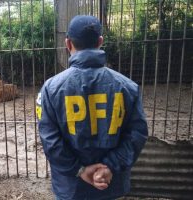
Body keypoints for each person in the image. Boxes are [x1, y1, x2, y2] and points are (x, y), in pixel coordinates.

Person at [36, 15, 148, 200]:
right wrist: (110, 166)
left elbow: (50, 141)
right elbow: (137, 134)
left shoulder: (50, 88)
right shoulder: (128, 87)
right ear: (100, 42)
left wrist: (80, 170)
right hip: (111, 185)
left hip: (71, 187)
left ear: (68, 43)